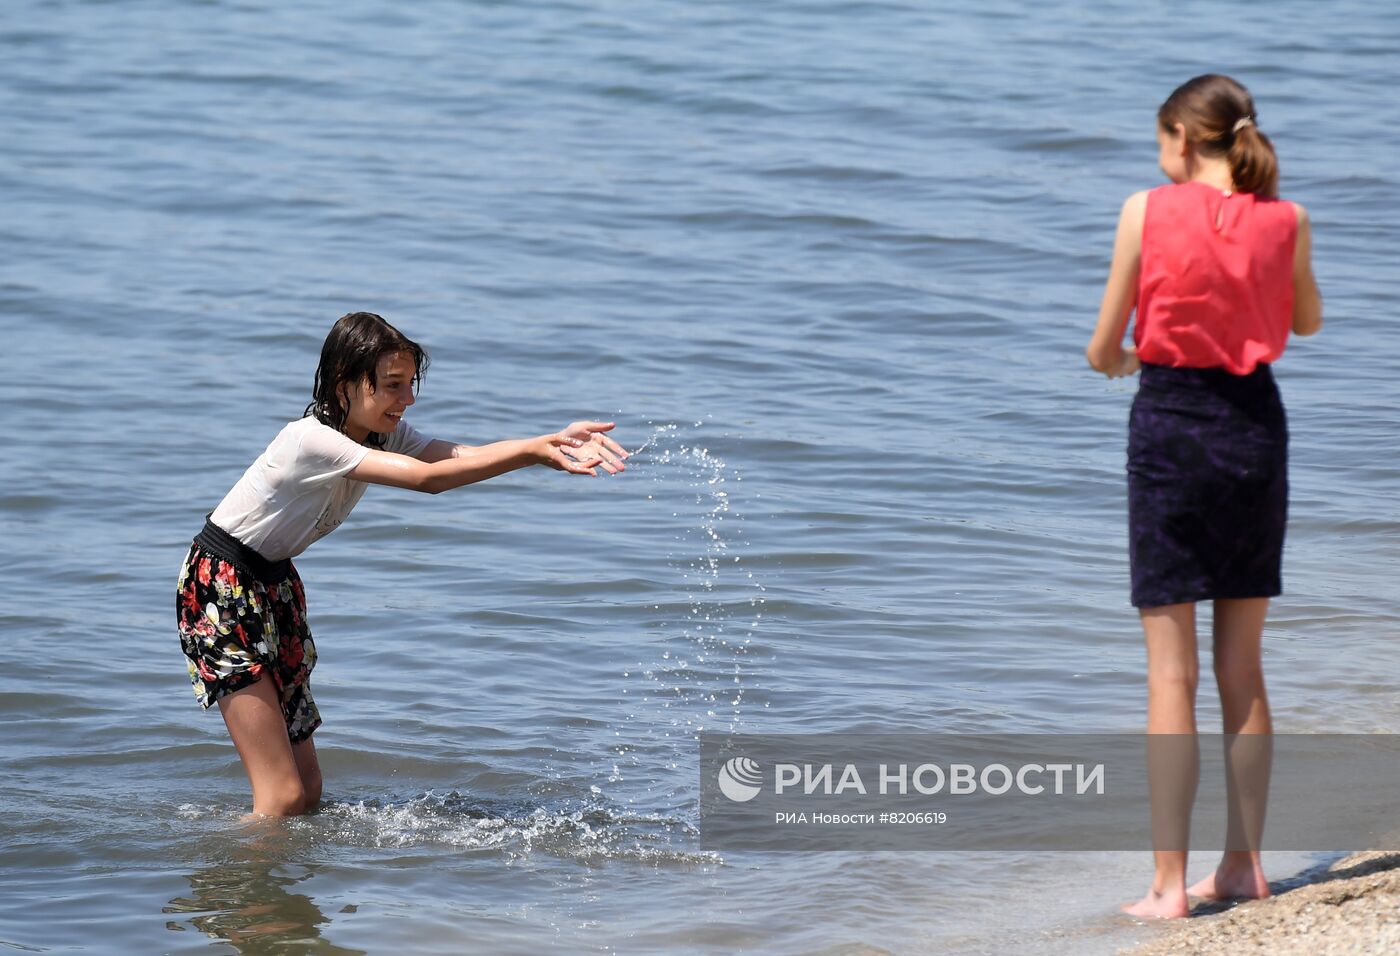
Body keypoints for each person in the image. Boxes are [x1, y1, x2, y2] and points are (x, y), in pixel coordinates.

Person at [176, 311, 630, 818]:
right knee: (280, 797)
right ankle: (234, 888)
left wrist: (550, 442)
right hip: (221, 585)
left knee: (307, 793)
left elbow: (456, 456)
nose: (407, 398)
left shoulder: (379, 434)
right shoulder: (311, 441)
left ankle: (281, 887)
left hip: (274, 584)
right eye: (393, 385)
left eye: (410, 383)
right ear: (346, 383)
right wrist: (528, 453)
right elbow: (424, 480)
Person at [1085, 74, 1323, 919]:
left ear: (1184, 137)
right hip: (1257, 430)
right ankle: (1245, 867)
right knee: (1242, 668)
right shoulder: (1286, 219)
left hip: (1171, 426)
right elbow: (1307, 322)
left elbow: (1103, 345)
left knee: (1169, 675)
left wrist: (1120, 366)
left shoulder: (1145, 211)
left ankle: (1164, 887)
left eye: (1160, 142)